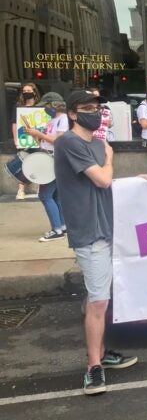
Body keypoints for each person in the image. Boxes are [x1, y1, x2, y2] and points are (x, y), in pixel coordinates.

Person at [54, 89, 137, 395]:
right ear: (73, 114)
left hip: (106, 226)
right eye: (87, 108)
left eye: (98, 108)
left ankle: (102, 354)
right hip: (89, 231)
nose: (95, 112)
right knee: (100, 300)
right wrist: (111, 159)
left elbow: (108, 185)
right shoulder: (69, 142)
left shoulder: (96, 143)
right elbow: (102, 179)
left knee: (99, 294)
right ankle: (94, 367)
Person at [22, 92, 69, 242]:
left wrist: (38, 134)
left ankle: (57, 229)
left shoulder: (63, 119)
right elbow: (44, 142)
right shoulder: (53, 120)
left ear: (54, 105)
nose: (45, 109)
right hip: (49, 158)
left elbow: (59, 140)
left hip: (55, 159)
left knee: (45, 195)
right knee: (55, 196)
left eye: (47, 106)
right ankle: (62, 226)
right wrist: (34, 135)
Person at [11, 83, 40, 200]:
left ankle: (40, 188)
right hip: (24, 139)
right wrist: (15, 139)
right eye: (24, 90)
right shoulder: (18, 107)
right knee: (24, 163)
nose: (26, 92)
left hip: (38, 139)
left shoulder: (40, 106)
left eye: (29, 90)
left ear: (34, 92)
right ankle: (21, 189)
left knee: (39, 162)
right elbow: (14, 124)